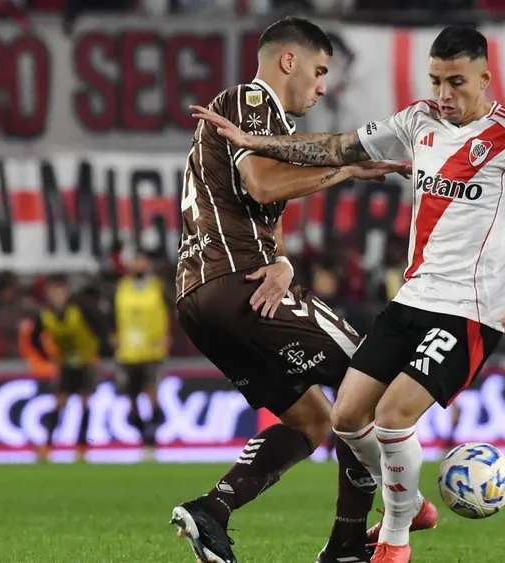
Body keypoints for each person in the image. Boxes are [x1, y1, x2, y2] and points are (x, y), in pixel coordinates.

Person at [193, 25, 505, 563]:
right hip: (411, 300)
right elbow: (335, 146)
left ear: (485, 76)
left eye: (456, 82)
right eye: (436, 81)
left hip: (469, 310)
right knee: (346, 418)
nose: (444, 95)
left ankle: (394, 538)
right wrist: (257, 143)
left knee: (391, 419)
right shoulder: (418, 121)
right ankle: (407, 505)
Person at [170, 16, 410, 563]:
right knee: (370, 378)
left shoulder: (255, 123)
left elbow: (259, 205)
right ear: (288, 62)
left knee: (313, 419)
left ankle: (212, 511)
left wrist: (279, 259)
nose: (322, 86)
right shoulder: (253, 102)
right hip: (236, 284)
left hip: (203, 296)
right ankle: (352, 543)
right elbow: (263, 182)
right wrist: (347, 166)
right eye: (320, 70)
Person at [31, 274, 109, 464]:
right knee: (59, 403)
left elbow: (101, 327)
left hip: (85, 362)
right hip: (66, 363)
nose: (57, 295)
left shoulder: (81, 309)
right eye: (53, 291)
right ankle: (47, 446)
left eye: (60, 291)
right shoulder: (45, 315)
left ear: (66, 292)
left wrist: (100, 352)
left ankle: (81, 448)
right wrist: (48, 357)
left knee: (84, 402)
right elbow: (35, 339)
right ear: (48, 293)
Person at [113, 249, 170, 461]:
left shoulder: (159, 287)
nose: (138, 265)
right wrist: (112, 335)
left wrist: (166, 335)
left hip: (152, 351)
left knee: (151, 391)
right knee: (131, 400)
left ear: (148, 264)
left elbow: (176, 309)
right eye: (135, 261)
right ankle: (143, 434)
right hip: (127, 352)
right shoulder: (121, 287)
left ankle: (151, 441)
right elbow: (112, 314)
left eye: (141, 261)